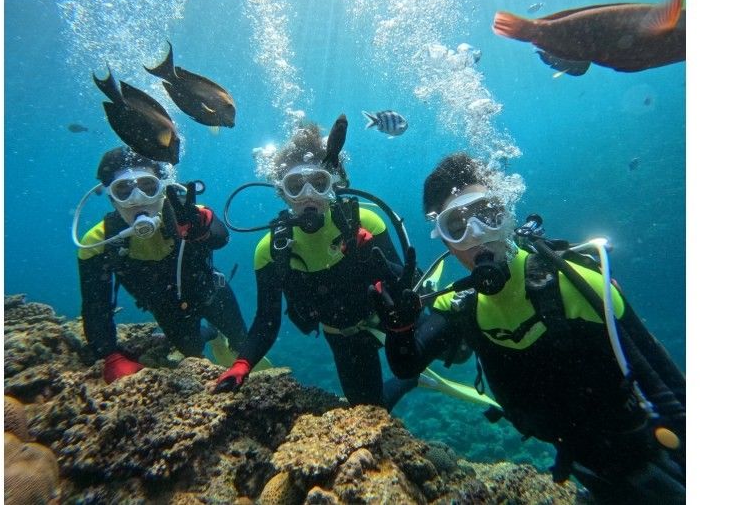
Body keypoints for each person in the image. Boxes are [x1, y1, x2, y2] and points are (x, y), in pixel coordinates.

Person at [374, 152, 686, 504]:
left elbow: (671, 394)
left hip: (650, 461)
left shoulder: (578, 285)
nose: (476, 235)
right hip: (583, 467)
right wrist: (398, 327)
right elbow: (406, 365)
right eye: (457, 226)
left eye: (488, 215)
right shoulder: (463, 305)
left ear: (508, 218)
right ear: (445, 241)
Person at [213, 122, 416, 408]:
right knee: (370, 408)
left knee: (421, 357)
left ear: (332, 184)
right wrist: (242, 363)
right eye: (296, 186)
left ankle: (415, 371)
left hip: (387, 319)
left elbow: (406, 283)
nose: (308, 195)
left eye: (318, 183)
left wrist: (373, 259)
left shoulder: (366, 223)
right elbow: (267, 320)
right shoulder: (270, 251)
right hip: (344, 336)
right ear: (282, 193)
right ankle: (412, 381)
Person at [76, 146, 249, 384]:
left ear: (162, 187)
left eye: (148, 187)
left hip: (212, 292)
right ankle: (213, 336)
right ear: (111, 198)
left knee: (243, 342)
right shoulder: (98, 242)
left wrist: (199, 226)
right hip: (166, 311)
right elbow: (96, 306)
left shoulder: (188, 214)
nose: (137, 200)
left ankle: (224, 341)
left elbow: (221, 236)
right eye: (124, 190)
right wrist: (111, 356)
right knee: (192, 352)